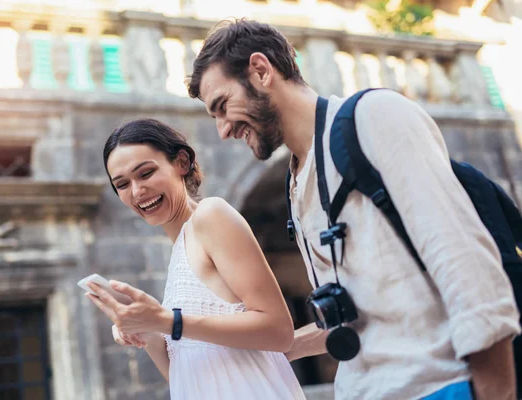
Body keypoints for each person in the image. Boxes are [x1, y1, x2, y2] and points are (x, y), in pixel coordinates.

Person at [185, 18, 521, 400]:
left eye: (222, 106)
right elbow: (359, 316)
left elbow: (468, 269)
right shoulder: (296, 182)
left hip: (439, 387)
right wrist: (268, 346)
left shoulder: (375, 117)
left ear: (261, 71)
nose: (223, 130)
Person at [85, 118, 306, 400]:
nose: (137, 191)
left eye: (146, 173)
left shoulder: (211, 216)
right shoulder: (179, 251)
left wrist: (168, 322)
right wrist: (148, 332)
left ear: (181, 162)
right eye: (122, 184)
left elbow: (279, 331)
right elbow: (184, 376)